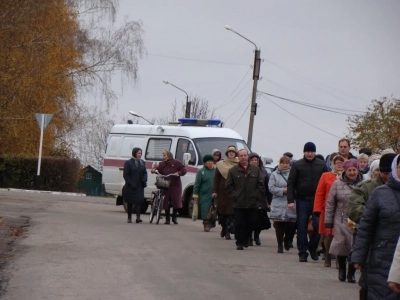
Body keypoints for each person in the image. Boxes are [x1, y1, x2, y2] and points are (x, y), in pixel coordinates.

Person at [346, 153, 396, 299]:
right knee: (369, 286)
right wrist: (377, 217)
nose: (388, 176)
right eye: (385, 173)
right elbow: (354, 209)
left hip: (394, 247)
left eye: (390, 173)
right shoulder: (367, 188)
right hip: (371, 245)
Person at [287, 142, 327, 262]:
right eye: (307, 151)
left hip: (317, 200)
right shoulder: (298, 165)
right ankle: (302, 252)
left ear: (315, 152)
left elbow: (327, 181)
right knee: (301, 226)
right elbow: (291, 183)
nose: (310, 154)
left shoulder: (321, 165)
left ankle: (312, 247)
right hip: (302, 199)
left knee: (318, 225)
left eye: (312, 151)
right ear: (304, 152)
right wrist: (290, 200)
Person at [325, 159, 363, 283]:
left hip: (357, 218)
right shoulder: (337, 183)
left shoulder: (363, 183)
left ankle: (351, 272)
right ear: (345, 171)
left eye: (354, 170)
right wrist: (328, 221)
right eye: (349, 170)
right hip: (341, 217)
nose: (352, 173)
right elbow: (330, 203)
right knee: (341, 244)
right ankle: (341, 268)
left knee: (354, 245)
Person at [226, 149, 264, 250]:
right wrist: (235, 195)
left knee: (251, 223)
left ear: (248, 157)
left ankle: (248, 238)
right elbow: (229, 186)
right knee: (239, 224)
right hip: (239, 203)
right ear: (238, 157)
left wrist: (256, 195)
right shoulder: (233, 170)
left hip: (252, 202)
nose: (243, 157)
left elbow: (261, 184)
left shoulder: (255, 170)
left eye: (245, 155)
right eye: (241, 155)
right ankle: (239, 242)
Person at [314, 153, 345, 267]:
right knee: (328, 234)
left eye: (342, 163)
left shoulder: (347, 177)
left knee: (340, 234)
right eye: (337, 163)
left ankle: (338, 259)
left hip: (343, 210)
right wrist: (317, 209)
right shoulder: (326, 176)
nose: (339, 165)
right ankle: (327, 255)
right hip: (327, 209)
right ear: (333, 164)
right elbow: (319, 193)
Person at [151, 150, 187, 225]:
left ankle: (174, 217)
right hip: (165, 184)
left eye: (165, 155)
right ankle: (167, 219)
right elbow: (158, 168)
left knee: (176, 201)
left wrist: (178, 173)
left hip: (175, 184)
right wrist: (154, 169)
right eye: (163, 155)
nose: (163, 157)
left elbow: (184, 170)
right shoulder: (162, 164)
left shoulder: (177, 162)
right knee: (165, 201)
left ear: (169, 156)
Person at [269, 155, 296, 253]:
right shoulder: (274, 174)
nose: (285, 165)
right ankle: (279, 244)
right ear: (279, 163)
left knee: (291, 226)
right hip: (278, 202)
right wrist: (283, 190)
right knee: (279, 225)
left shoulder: (293, 174)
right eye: (283, 163)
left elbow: (297, 186)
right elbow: (271, 188)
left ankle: (287, 240)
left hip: (290, 203)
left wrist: (291, 191)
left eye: (287, 163)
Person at [212, 146, 239, 240]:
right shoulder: (220, 164)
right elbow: (216, 179)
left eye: (233, 152)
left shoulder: (238, 164)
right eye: (229, 152)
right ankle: (224, 227)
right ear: (227, 154)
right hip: (222, 191)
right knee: (222, 213)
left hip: (233, 192)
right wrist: (214, 191)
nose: (231, 153)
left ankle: (228, 230)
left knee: (231, 213)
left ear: (235, 154)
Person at [248, 152, 272, 246]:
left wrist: (269, 200)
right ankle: (249, 237)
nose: (254, 162)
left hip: (261, 199)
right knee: (250, 220)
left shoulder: (263, 171)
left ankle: (256, 236)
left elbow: (267, 187)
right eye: (252, 160)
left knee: (259, 221)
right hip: (249, 199)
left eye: (256, 160)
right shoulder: (246, 170)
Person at [123, 147, 147, 223]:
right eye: (138, 153)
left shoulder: (142, 162)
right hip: (131, 186)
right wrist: (131, 183)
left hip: (139, 185)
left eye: (140, 153)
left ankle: (138, 217)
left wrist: (145, 179)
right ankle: (129, 217)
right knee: (130, 202)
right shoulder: (128, 163)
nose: (140, 155)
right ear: (134, 153)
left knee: (139, 202)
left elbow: (145, 172)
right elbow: (125, 175)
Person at [193, 154, 216, 232]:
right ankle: (206, 224)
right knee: (205, 209)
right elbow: (197, 184)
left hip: (214, 193)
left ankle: (212, 222)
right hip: (204, 194)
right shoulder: (201, 172)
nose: (210, 163)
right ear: (205, 163)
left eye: (211, 161)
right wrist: (195, 195)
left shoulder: (216, 171)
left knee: (214, 210)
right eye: (208, 161)